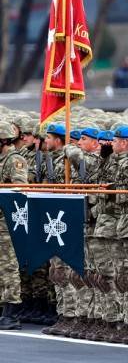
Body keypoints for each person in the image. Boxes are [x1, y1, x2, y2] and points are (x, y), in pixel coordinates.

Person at [0, 122, 28, 330]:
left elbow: (20, 188)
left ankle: (11, 312)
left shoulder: (14, 160)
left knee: (8, 266)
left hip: (6, 221)